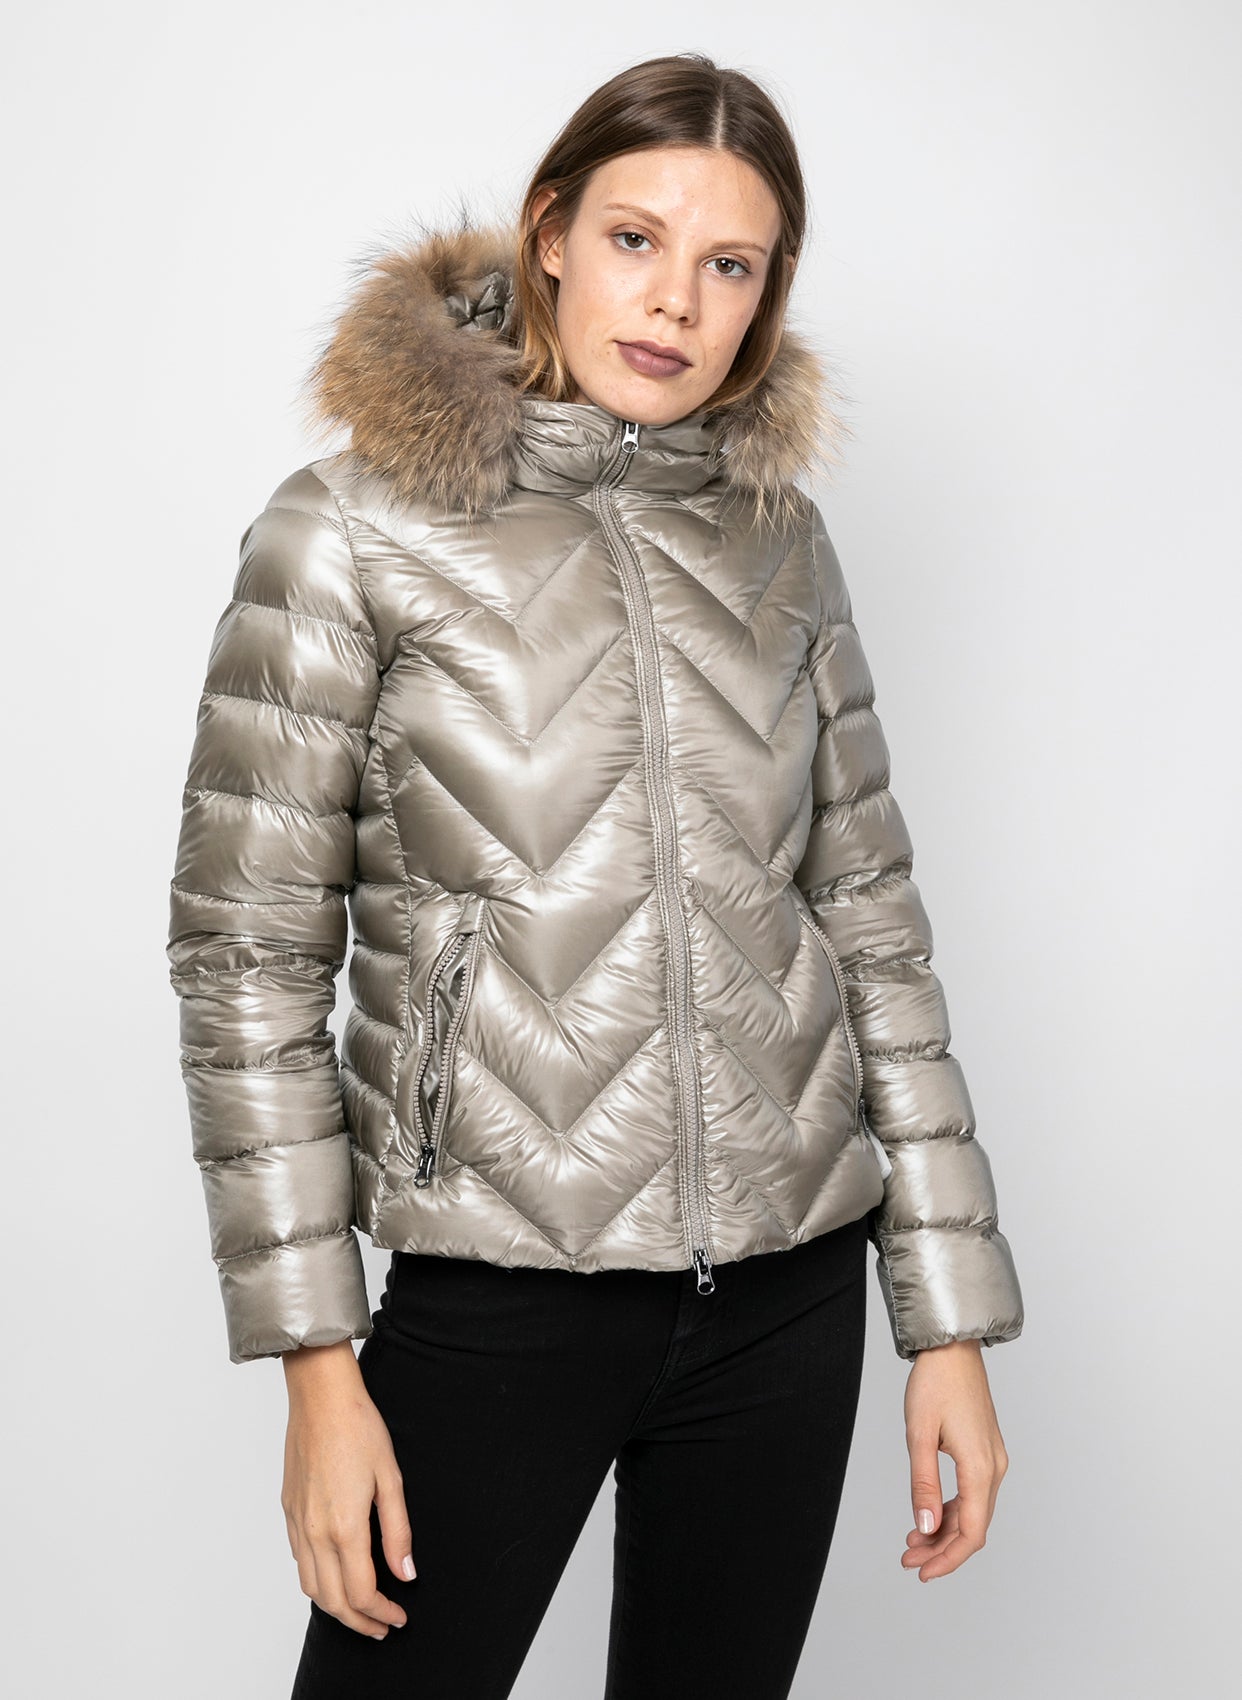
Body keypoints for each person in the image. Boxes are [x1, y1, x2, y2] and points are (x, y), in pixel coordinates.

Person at [166, 51, 1024, 1700]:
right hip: (497, 1289)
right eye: (636, 239)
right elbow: (244, 960)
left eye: (730, 264)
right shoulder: (347, 529)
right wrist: (317, 1366)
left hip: (785, 1300)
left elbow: (870, 927)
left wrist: (946, 1324)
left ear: (767, 292)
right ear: (550, 233)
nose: (676, 301)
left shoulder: (778, 543)